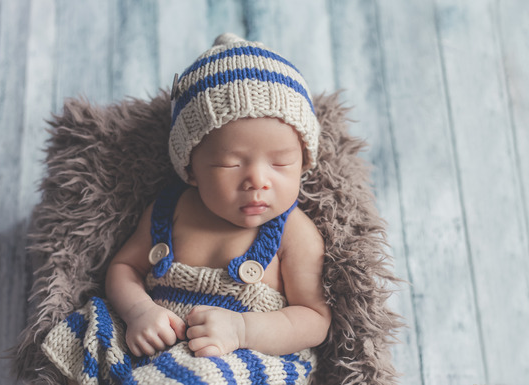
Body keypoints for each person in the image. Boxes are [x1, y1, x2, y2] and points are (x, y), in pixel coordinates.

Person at [42, 33, 330, 385]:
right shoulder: (170, 209)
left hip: (245, 358)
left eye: (281, 163)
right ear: (190, 168)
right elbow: (124, 267)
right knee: (87, 327)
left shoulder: (293, 231)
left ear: (303, 163)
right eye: (230, 163)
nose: (257, 180)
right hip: (154, 344)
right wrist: (140, 311)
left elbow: (314, 319)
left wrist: (241, 330)